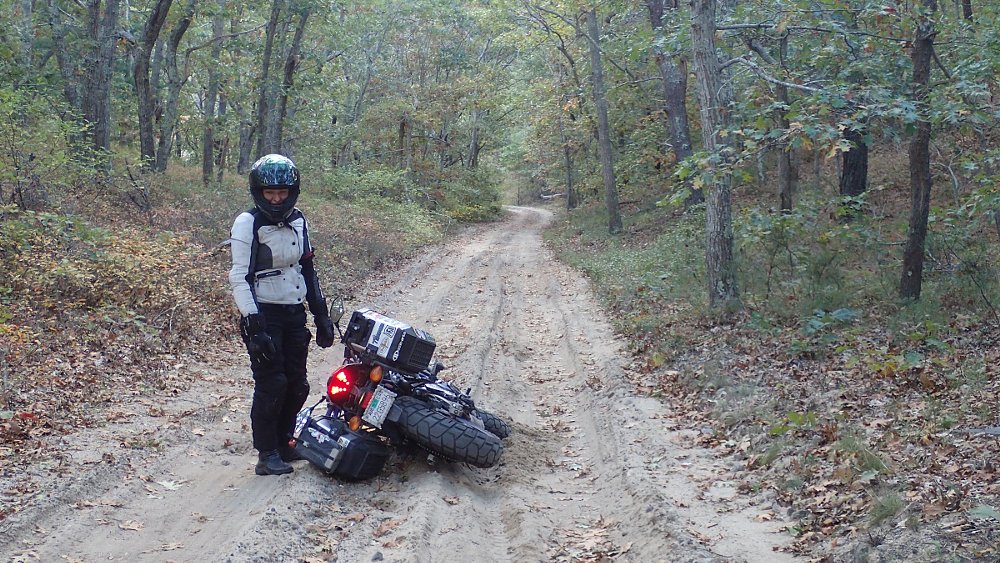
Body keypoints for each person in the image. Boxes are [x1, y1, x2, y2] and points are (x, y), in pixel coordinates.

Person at [228, 154, 336, 476]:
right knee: (272, 383)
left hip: (293, 312)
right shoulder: (248, 223)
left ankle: (285, 441)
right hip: (263, 314)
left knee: (297, 384)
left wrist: (321, 316)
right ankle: (266, 453)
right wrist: (253, 324)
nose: (276, 199)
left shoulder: (300, 220)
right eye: (269, 193)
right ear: (258, 192)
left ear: (293, 191)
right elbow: (239, 276)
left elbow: (307, 268)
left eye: (282, 192)